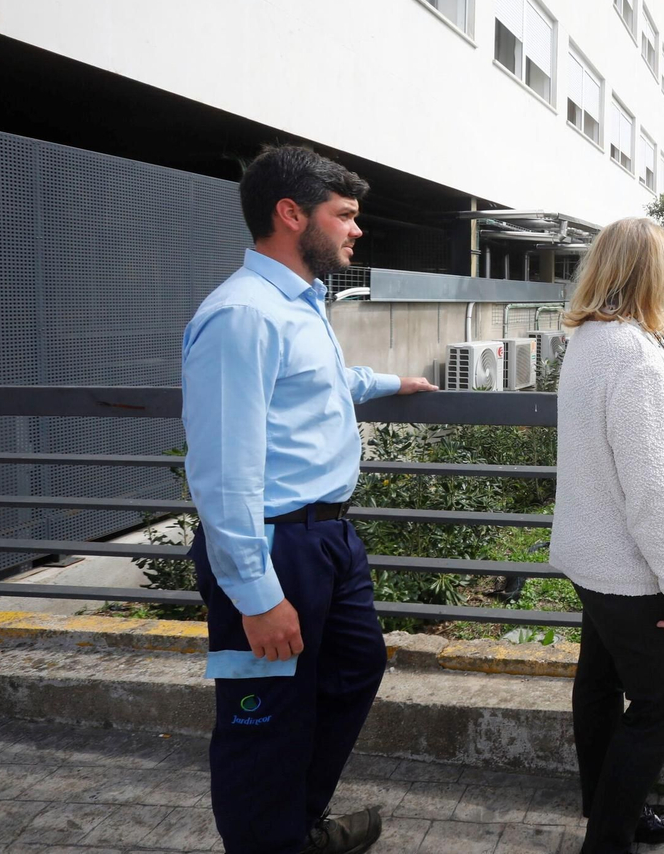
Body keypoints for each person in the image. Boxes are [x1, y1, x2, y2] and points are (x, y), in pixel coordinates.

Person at [182, 146, 439, 854]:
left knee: (355, 669)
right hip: (271, 546)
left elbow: (314, 386)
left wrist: (385, 382)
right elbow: (222, 470)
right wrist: (255, 593)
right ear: (291, 214)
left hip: (325, 539)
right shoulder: (242, 315)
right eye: (344, 215)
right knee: (261, 719)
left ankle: (292, 827)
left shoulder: (298, 302)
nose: (357, 229)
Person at [548, 217, 664, 854]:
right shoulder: (633, 356)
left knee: (600, 688)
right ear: (653, 275)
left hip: (592, 557)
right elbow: (653, 491)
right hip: (630, 571)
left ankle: (612, 812)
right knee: (661, 707)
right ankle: (607, 840)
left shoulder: (593, 339)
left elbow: (632, 420)